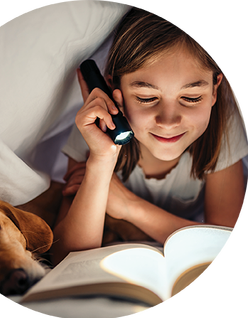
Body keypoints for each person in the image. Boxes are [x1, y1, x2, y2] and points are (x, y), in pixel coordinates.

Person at [52, 9, 248, 264]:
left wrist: (130, 207)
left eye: (191, 98)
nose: (169, 121)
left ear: (213, 91)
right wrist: (102, 159)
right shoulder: (99, 128)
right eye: (147, 98)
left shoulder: (220, 123)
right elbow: (65, 258)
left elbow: (229, 241)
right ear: (113, 89)